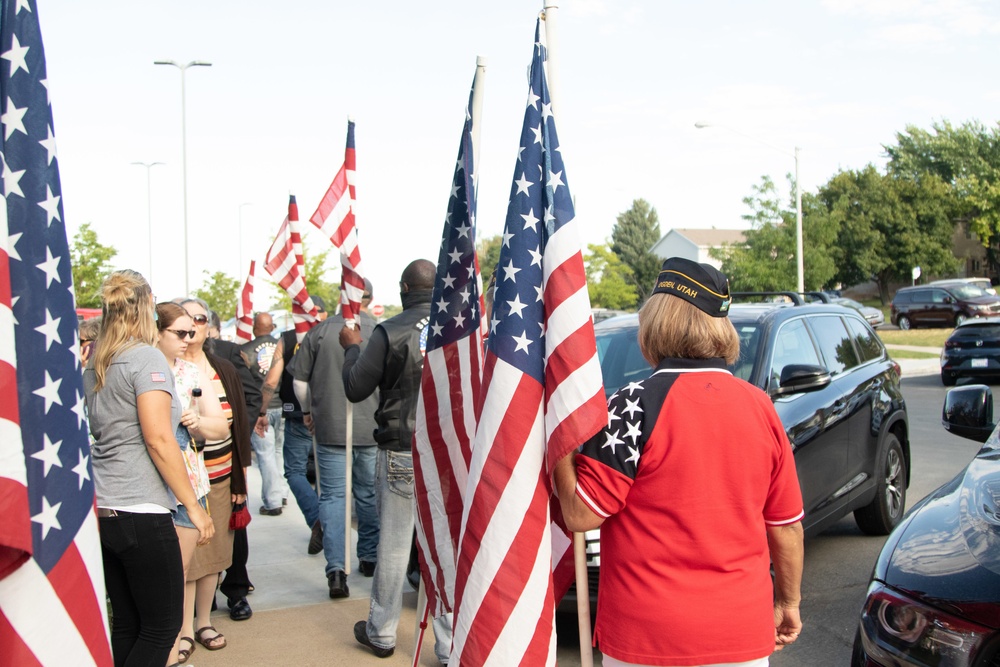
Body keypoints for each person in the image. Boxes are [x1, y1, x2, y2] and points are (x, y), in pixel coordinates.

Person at [553, 257, 805, 667]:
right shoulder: (760, 407)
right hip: (740, 632)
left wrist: (559, 448)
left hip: (646, 638)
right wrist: (789, 601)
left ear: (655, 324)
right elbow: (787, 526)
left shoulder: (632, 405)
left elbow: (581, 514)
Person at [83, 270, 213, 667]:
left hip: (104, 507)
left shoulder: (98, 361)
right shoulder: (144, 357)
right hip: (141, 508)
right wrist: (192, 506)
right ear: (147, 306)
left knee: (127, 624)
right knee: (161, 629)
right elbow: (159, 439)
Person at [340, 259, 451, 663]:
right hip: (446, 454)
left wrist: (352, 348)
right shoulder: (458, 328)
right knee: (443, 549)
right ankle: (449, 644)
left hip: (401, 447)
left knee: (393, 546)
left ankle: (382, 633)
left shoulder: (390, 329)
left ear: (405, 289)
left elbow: (355, 387)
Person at [289, 279, 380, 599]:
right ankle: (369, 557)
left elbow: (300, 383)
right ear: (370, 298)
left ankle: (336, 570)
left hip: (329, 426)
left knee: (333, 498)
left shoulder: (319, 331)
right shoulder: (380, 330)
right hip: (371, 426)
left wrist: (306, 412)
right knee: (368, 493)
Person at [155, 302, 230, 666]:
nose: (189, 338)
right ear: (157, 331)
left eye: (193, 331)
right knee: (160, 572)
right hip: (148, 485)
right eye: (181, 332)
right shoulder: (140, 368)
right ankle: (170, 636)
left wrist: (198, 422)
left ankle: (181, 637)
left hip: (192, 480)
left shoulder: (191, 372)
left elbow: (222, 426)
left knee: (183, 568)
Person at [181, 298, 253, 651]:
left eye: (200, 318)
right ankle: (182, 629)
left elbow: (237, 423)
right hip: (183, 482)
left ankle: (204, 623)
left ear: (208, 326)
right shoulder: (166, 367)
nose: (194, 324)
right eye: (187, 318)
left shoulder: (222, 367)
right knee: (187, 554)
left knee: (217, 553)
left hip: (222, 474)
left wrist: (240, 477)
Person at [256, 296, 328, 555]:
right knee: (325, 475)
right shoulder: (330, 335)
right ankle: (324, 520)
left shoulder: (287, 339)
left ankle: (316, 519)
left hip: (295, 412)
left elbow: (272, 380)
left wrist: (262, 411)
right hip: (325, 414)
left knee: (295, 471)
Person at [241, 312, 287, 515]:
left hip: (262, 409)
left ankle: (273, 501)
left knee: (265, 455)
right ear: (272, 327)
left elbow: (244, 381)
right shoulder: (282, 346)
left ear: (254, 327)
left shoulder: (244, 350)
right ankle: (281, 493)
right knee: (278, 451)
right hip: (283, 406)